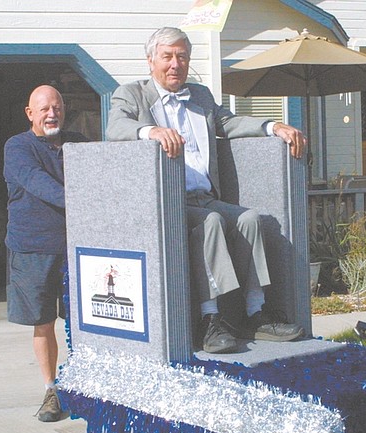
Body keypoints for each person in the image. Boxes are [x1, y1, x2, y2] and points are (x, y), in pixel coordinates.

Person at [107, 27, 307, 354]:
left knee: (250, 219)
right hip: (167, 202)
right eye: (167, 56)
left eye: (182, 57)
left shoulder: (200, 96)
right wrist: (151, 131)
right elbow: (115, 127)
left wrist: (273, 126)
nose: (176, 64)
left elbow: (228, 123)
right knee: (211, 222)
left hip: (205, 196)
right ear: (151, 61)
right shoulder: (131, 94)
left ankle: (254, 313)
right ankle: (209, 320)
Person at [4, 85, 88, 422]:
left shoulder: (79, 143)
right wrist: (84, 202)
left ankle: (86, 385)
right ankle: (52, 389)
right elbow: (36, 181)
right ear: (30, 114)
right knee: (43, 323)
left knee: (86, 323)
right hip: (32, 247)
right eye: (43, 109)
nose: (51, 113)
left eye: (57, 107)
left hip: (77, 247)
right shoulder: (17, 147)